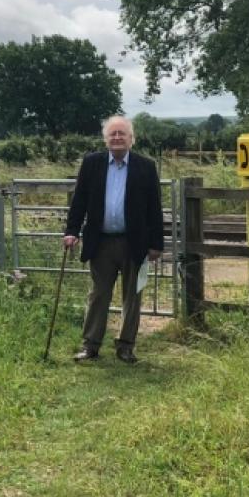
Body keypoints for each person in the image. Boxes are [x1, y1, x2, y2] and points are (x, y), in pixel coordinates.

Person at [64, 115, 164, 363]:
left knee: (133, 295)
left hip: (135, 242)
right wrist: (71, 231)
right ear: (105, 139)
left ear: (132, 139)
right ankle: (90, 345)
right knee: (98, 294)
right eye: (113, 134)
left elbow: (155, 208)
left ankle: (126, 345)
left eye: (122, 134)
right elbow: (79, 201)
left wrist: (156, 243)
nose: (117, 138)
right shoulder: (91, 164)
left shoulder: (146, 166)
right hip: (101, 242)